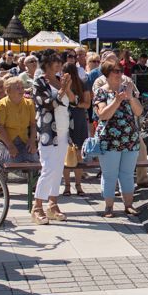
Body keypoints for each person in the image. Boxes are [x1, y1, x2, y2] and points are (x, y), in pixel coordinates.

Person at [31, 52, 75, 225]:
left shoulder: (60, 79)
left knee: (58, 169)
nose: (58, 64)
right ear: (46, 64)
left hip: (64, 130)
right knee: (48, 168)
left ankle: (52, 204)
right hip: (48, 132)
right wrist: (63, 90)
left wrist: (68, 89)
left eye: (59, 61)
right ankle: (37, 207)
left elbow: (75, 101)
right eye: (54, 61)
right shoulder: (39, 82)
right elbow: (47, 103)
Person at [94, 60, 142, 217]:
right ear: (107, 74)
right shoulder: (101, 92)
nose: (119, 74)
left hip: (129, 138)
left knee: (127, 174)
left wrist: (130, 97)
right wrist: (117, 100)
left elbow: (139, 112)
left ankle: (128, 205)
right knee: (110, 175)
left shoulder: (128, 90)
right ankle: (109, 207)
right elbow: (103, 115)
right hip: (109, 140)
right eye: (115, 71)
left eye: (120, 70)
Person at [0, 77, 38, 178]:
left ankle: (33, 185)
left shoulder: (29, 103)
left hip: (23, 139)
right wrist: (10, 145)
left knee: (33, 158)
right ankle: (0, 184)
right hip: (4, 140)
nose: (21, 90)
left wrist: (32, 141)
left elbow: (33, 125)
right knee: (7, 159)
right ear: (8, 91)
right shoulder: (1, 104)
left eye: (22, 87)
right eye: (17, 88)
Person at [62, 62, 90, 196]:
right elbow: (86, 104)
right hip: (72, 119)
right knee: (73, 154)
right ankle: (75, 186)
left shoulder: (82, 83)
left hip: (75, 119)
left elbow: (87, 103)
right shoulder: (60, 84)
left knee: (72, 154)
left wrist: (75, 103)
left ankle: (71, 186)